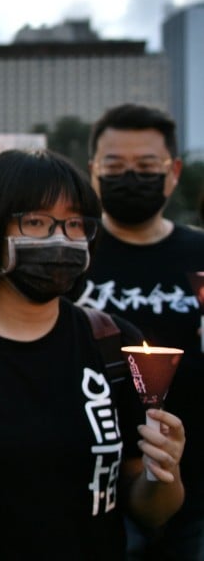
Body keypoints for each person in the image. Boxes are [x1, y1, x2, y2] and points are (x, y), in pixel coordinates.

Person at [0, 148, 186, 560]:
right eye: (37, 222)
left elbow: (150, 510)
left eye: (75, 223)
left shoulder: (114, 345)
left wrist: (164, 471)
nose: (60, 239)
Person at [74, 103, 204, 559]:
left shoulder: (200, 253)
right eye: (115, 166)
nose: (131, 177)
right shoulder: (69, 259)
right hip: (92, 493)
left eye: (146, 166)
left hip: (197, 494)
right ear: (93, 171)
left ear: (173, 172)